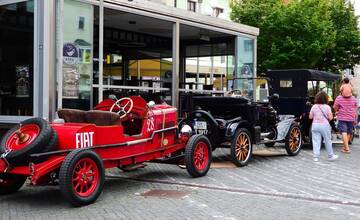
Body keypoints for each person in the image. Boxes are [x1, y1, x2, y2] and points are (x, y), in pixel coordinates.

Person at [309, 91, 338, 162]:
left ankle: (315, 157)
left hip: (315, 125)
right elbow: (330, 118)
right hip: (324, 125)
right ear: (326, 99)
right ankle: (330, 156)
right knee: (327, 140)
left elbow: (310, 117)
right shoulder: (327, 107)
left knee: (316, 141)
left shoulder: (314, 106)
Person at [333, 88, 357, 153]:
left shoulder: (339, 98)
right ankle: (345, 147)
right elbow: (355, 109)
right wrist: (355, 119)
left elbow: (335, 107)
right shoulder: (353, 98)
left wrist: (337, 111)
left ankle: (347, 149)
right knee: (348, 132)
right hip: (351, 118)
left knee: (344, 132)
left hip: (342, 117)